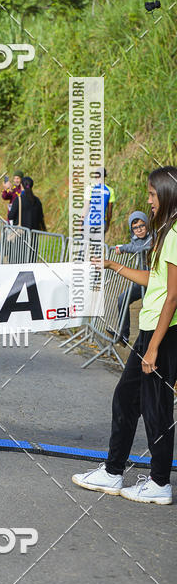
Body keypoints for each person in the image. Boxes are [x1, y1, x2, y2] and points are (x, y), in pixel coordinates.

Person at [72, 166, 177, 506]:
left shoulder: (175, 234)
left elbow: (173, 296)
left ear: (166, 194)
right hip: (151, 330)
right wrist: (114, 266)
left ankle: (160, 483)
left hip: (163, 334)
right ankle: (113, 471)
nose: (148, 200)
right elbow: (154, 280)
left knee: (157, 408)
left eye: (151, 193)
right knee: (127, 399)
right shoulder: (165, 232)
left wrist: (154, 348)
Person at [110, 211, 153, 344]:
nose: (139, 230)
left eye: (142, 226)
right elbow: (135, 246)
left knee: (148, 310)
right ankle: (124, 334)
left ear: (147, 225)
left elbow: (142, 248)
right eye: (135, 227)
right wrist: (124, 247)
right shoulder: (135, 240)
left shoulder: (154, 237)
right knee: (122, 299)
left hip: (153, 280)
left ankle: (146, 341)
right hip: (141, 280)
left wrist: (124, 248)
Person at [84, 167, 115, 234]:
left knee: (85, 244)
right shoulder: (110, 190)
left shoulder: (90, 188)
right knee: (98, 244)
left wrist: (80, 222)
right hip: (101, 224)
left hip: (88, 223)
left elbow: (86, 207)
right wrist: (107, 224)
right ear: (105, 177)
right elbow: (109, 212)